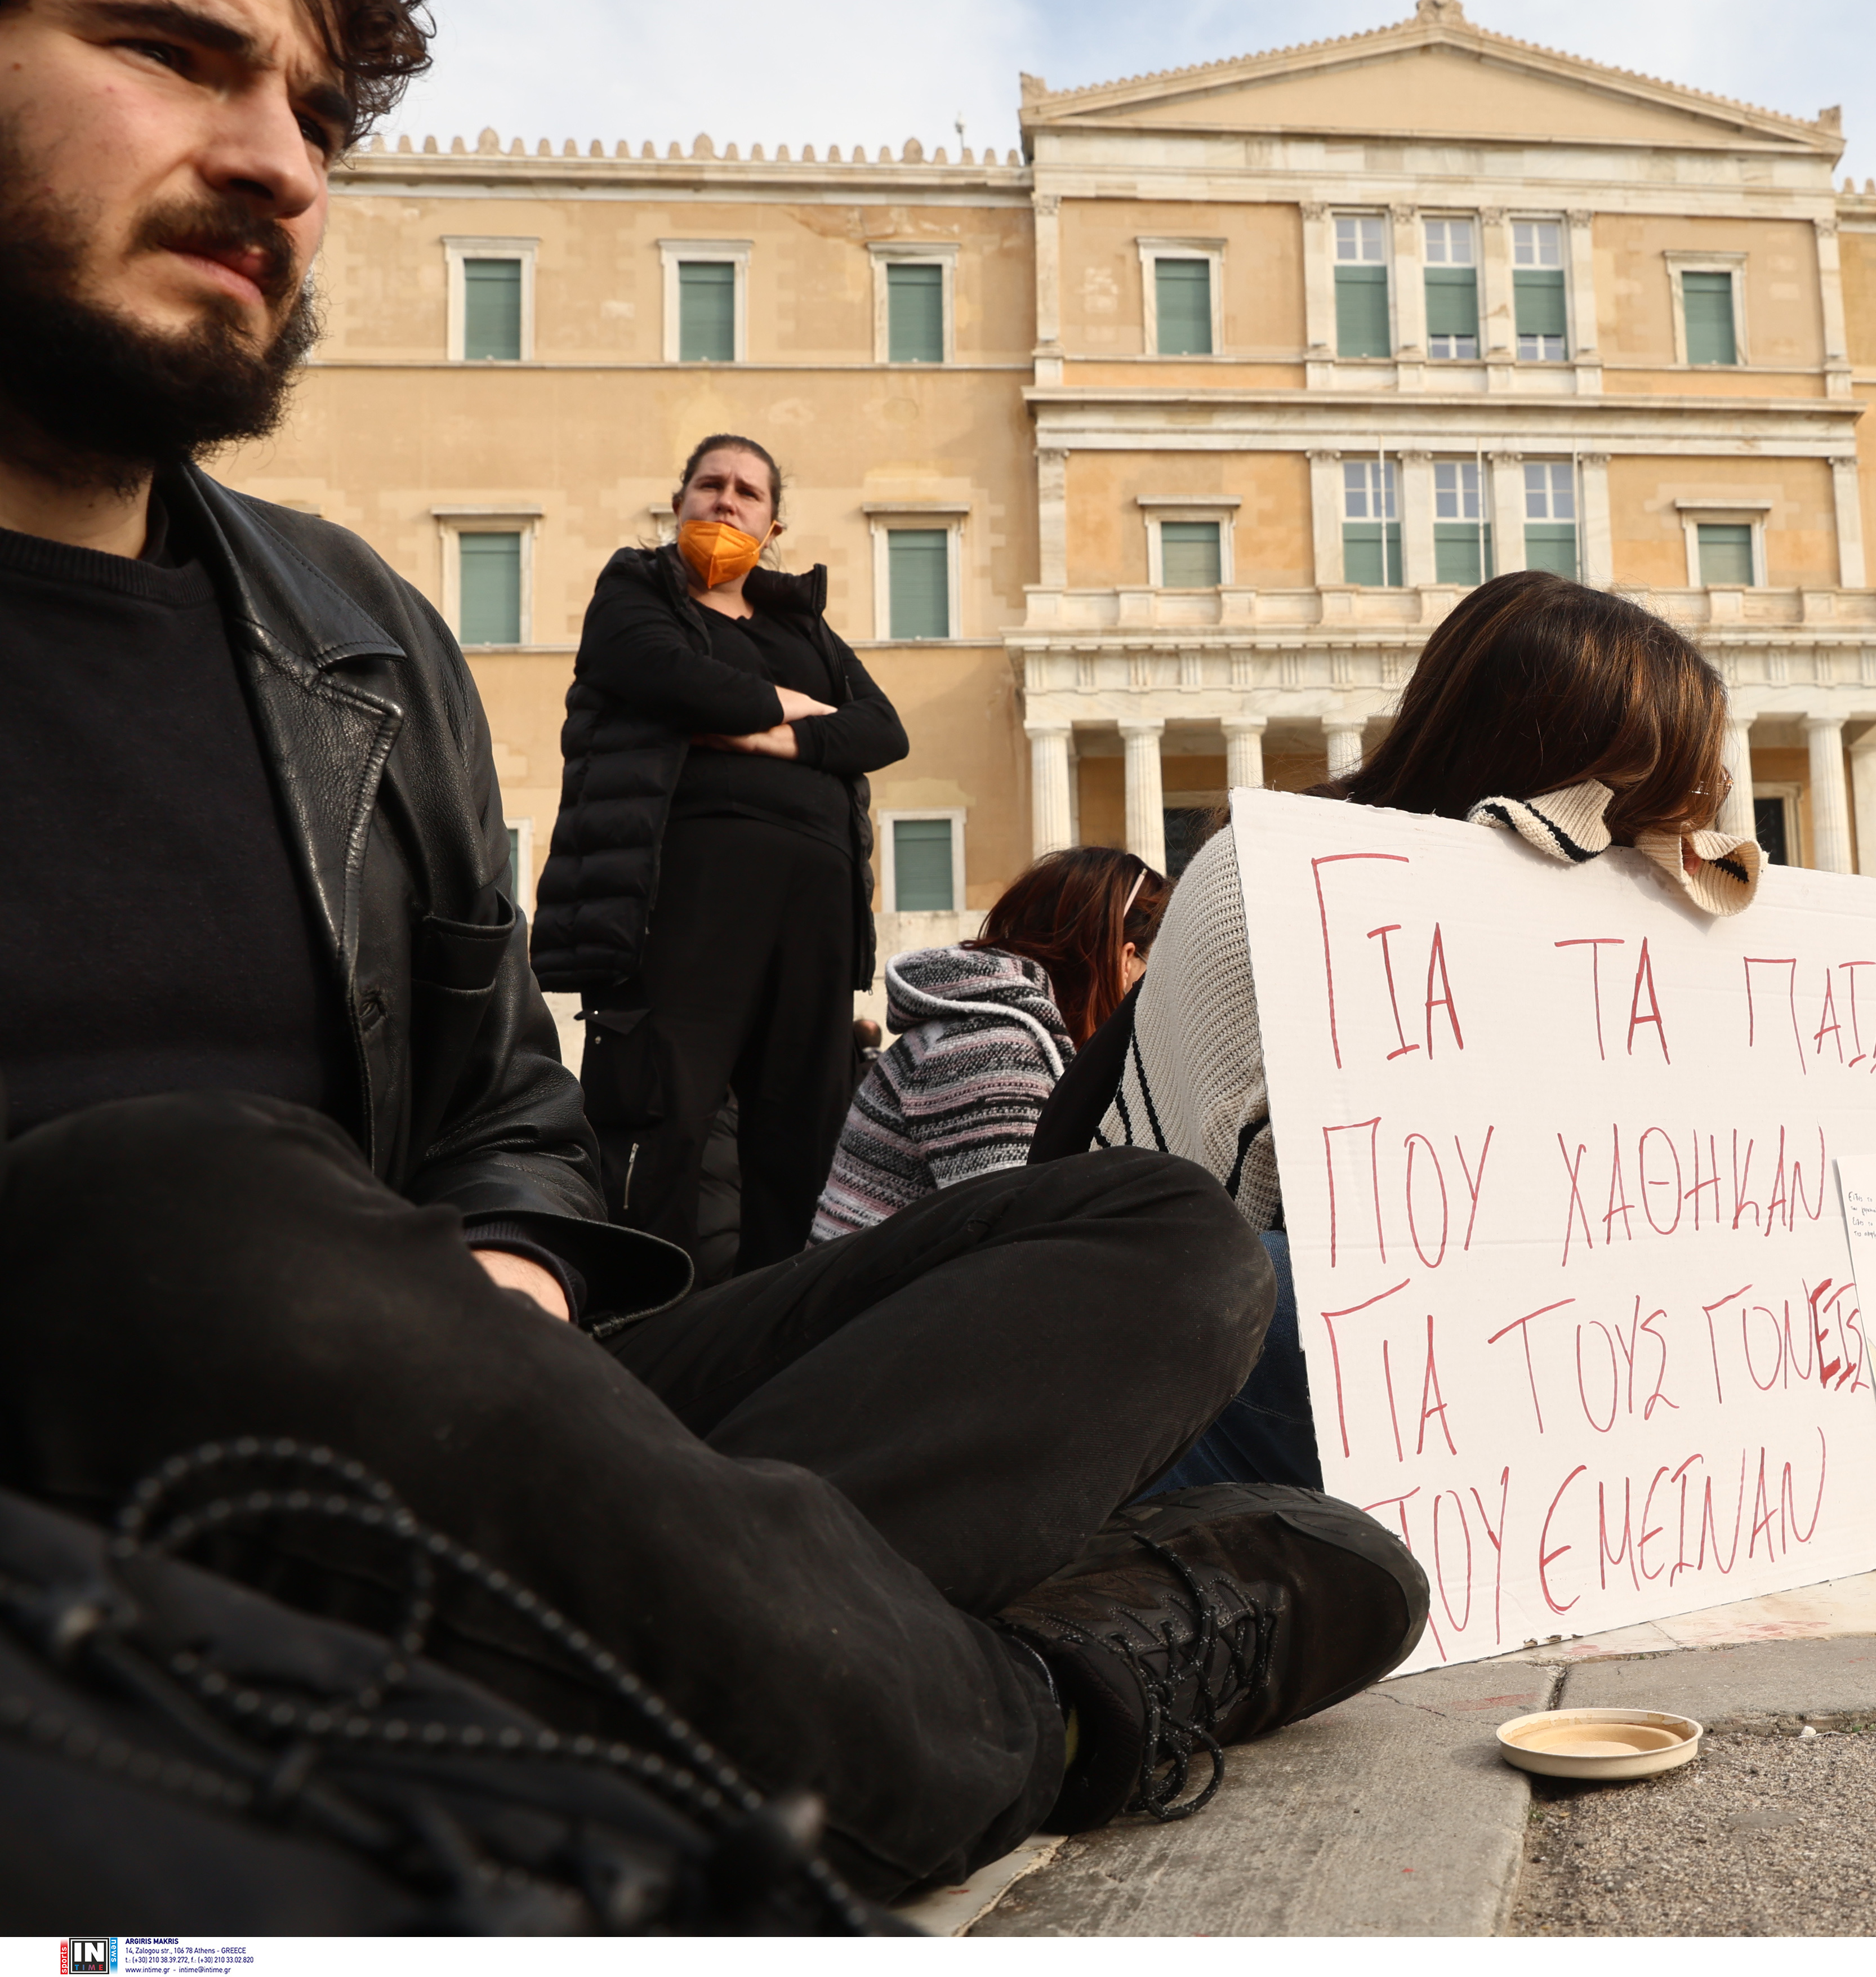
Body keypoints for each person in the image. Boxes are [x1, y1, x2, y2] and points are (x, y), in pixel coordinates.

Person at [0, 0, 1419, 1913]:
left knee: (1162, 1238)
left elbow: (503, 1104)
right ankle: (1043, 1705)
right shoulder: (619, 604)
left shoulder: (359, 629)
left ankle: (585, 1665)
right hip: (96, 1461)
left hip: (452, 1422)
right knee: (174, 1204)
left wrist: (512, 1275)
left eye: (318, 115)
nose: (279, 162)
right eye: (171, 49)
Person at [1079, 570, 1764, 1490]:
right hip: (1211, 1367)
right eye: (1636, 799)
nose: (1659, 839)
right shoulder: (1281, 875)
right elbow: (1273, 1208)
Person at [528, 435, 908, 1279]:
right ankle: (646, 1320)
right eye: (711, 484)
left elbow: (884, 730)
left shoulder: (803, 625)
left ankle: (781, 1325)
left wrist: (765, 735)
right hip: (684, 898)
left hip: (814, 914)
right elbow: (667, 673)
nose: (727, 500)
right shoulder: (638, 589)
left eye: (748, 491)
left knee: (804, 1138)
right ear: (679, 503)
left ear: (774, 526)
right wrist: (800, 708)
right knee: (661, 1121)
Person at [814, 847, 1166, 1241]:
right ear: (1125, 960)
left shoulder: (1003, 1033)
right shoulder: (993, 1048)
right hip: (891, 1283)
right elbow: (1015, 1241)